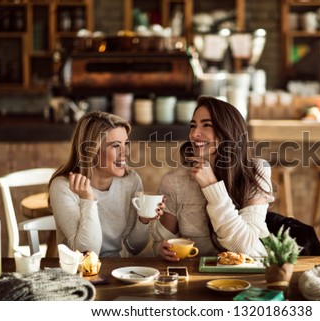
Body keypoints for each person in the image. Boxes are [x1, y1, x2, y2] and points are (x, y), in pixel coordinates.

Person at [152, 96, 274, 261]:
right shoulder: (174, 181)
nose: (194, 134)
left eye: (207, 125)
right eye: (193, 125)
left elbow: (247, 248)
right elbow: (161, 243)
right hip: (193, 276)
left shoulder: (256, 171)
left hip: (243, 277)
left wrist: (212, 186)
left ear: (228, 131)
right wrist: (162, 249)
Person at [48, 111, 164, 258]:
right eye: (115, 146)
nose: (125, 152)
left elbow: (134, 248)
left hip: (116, 271)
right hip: (78, 273)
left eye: (125, 144)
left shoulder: (131, 181)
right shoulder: (64, 187)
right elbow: (87, 254)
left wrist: (144, 220)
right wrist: (87, 200)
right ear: (90, 151)